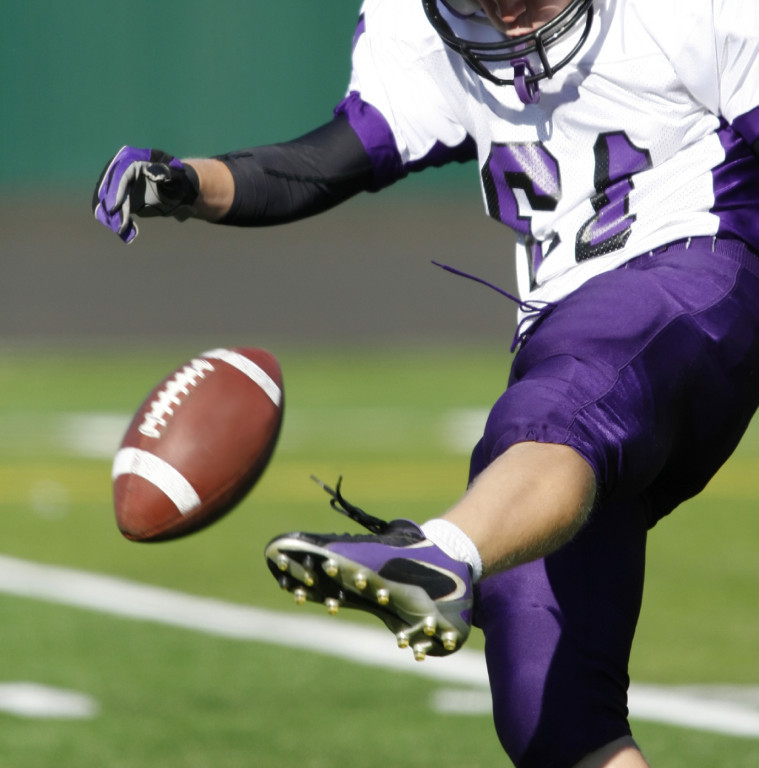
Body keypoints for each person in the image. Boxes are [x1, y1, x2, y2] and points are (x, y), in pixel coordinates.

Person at [93, 1, 759, 765]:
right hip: (562, 338)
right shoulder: (423, 28)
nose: (507, 17)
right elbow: (325, 162)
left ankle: (438, 555)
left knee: (558, 405)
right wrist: (186, 183)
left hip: (698, 276)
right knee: (552, 711)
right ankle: (458, 556)